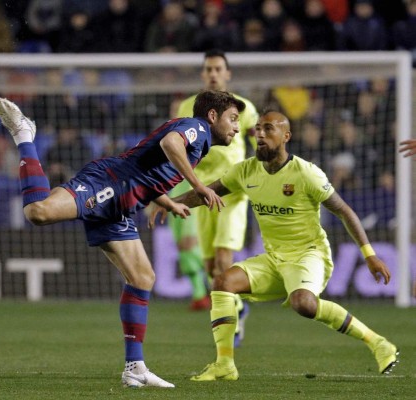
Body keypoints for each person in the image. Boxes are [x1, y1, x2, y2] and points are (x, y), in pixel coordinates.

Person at [0, 90, 246, 388]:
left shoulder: (200, 143)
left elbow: (149, 166)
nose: (237, 127)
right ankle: (24, 134)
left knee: (142, 277)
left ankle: (134, 367)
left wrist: (168, 202)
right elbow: (169, 143)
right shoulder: (197, 128)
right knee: (38, 212)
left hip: (122, 204)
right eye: (233, 119)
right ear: (213, 116)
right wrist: (198, 186)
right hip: (109, 183)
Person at [150, 110, 400, 381]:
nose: (260, 134)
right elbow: (207, 193)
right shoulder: (247, 170)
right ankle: (225, 364)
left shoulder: (307, 173)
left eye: (269, 129)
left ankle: (378, 343)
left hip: (309, 255)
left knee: (303, 304)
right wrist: (170, 202)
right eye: (258, 129)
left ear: (286, 136)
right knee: (222, 282)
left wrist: (369, 255)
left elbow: (345, 211)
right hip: (273, 259)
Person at [169, 50, 258, 342]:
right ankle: (240, 305)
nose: (213, 74)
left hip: (233, 190)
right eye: (209, 69)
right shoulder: (187, 106)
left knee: (223, 258)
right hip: (201, 192)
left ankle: (233, 320)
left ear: (228, 74)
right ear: (203, 74)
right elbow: (176, 145)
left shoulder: (244, 108)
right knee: (210, 266)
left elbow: (258, 142)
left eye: (219, 69)